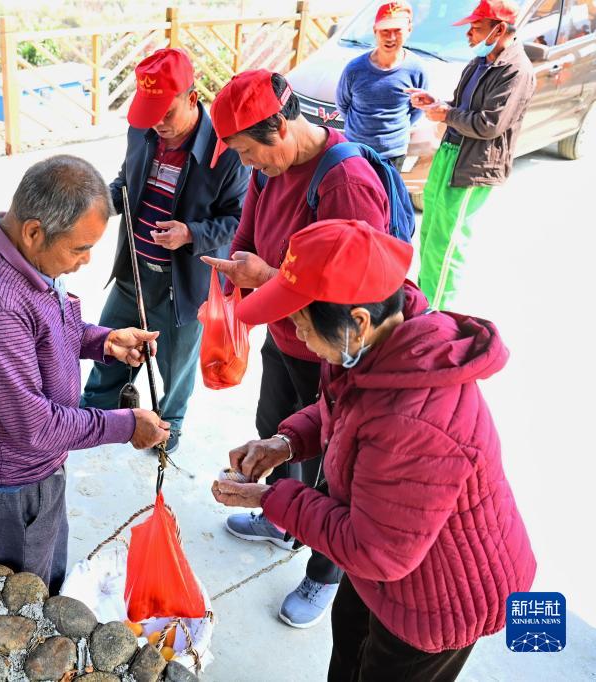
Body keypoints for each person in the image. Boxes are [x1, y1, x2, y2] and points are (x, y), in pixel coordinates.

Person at [211, 219, 535, 681]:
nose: (296, 333)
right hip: (382, 566)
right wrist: (285, 443)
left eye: (302, 323)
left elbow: (376, 551)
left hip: (441, 594)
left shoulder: (415, 421)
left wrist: (270, 499)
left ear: (358, 321)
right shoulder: (373, 347)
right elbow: (342, 407)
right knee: (347, 654)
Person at [202, 69, 389, 628]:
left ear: (279, 127)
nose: (246, 165)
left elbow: (353, 292)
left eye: (246, 151)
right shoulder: (268, 168)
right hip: (285, 340)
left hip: (329, 355)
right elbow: (247, 238)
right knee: (275, 430)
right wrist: (232, 288)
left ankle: (323, 574)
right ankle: (280, 518)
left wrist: (264, 282)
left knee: (335, 466)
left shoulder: (344, 181)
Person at [0, 155, 171, 593]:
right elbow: (35, 426)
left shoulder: (23, 258)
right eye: (79, 248)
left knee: (47, 567)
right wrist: (125, 426)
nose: (85, 262)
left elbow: (47, 328)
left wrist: (102, 341)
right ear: (33, 231)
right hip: (14, 479)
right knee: (26, 594)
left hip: (36, 467)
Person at [79, 48, 249, 455]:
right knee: (111, 345)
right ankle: (96, 416)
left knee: (176, 369)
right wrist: (92, 208)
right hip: (133, 270)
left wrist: (191, 233)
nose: (157, 123)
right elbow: (125, 181)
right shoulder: (141, 131)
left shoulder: (225, 152)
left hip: (184, 286)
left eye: (166, 113)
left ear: (192, 99)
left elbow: (238, 219)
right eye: (149, 112)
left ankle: (166, 431)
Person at [408, 0, 535, 310]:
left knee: (447, 243)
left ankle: (437, 313)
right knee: (429, 232)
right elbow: (461, 107)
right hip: (450, 153)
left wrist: (447, 115)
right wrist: (437, 104)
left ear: (500, 29)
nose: (469, 34)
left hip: (473, 166)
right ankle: (426, 303)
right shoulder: (480, 61)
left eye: (476, 28)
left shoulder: (516, 70)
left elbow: (489, 124)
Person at [335, 1, 428, 169]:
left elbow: (417, 109)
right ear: (375, 31)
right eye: (385, 30)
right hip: (357, 151)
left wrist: (394, 132)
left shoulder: (416, 69)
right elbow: (343, 104)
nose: (391, 37)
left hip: (393, 154)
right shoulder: (354, 69)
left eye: (397, 31)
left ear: (409, 30)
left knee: (388, 195)